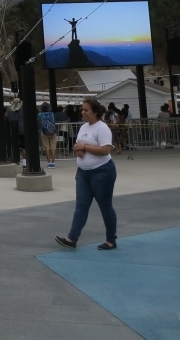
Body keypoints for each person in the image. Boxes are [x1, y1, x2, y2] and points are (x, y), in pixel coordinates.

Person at [55, 98, 118, 251]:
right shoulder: (83, 127)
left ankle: (111, 239)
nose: (82, 112)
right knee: (81, 205)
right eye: (82, 110)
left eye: (86, 110)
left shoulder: (102, 128)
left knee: (105, 206)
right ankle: (72, 238)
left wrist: (85, 147)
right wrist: (79, 149)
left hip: (102, 172)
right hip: (83, 173)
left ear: (95, 112)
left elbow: (105, 150)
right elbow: (77, 145)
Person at [38, 102, 57, 168]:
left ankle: (49, 163)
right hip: (53, 132)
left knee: (47, 148)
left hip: (44, 132)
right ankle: (53, 162)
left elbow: (38, 121)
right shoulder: (52, 114)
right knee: (53, 148)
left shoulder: (40, 114)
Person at [7, 98, 25, 165]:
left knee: (15, 146)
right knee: (24, 147)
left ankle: (15, 160)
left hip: (13, 130)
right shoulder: (23, 110)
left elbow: (6, 116)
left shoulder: (9, 110)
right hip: (23, 129)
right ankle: (25, 162)